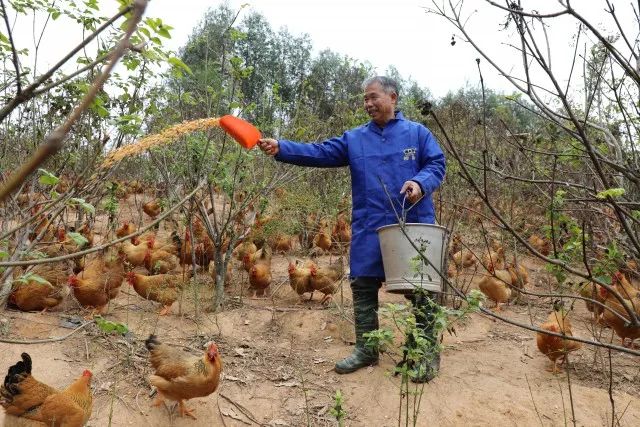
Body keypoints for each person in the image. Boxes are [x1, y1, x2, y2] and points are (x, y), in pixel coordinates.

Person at [258, 76, 446, 382]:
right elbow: (318, 152)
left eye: (373, 97)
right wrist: (281, 147)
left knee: (421, 289)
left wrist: (420, 183)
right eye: (365, 100)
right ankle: (366, 349)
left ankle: (425, 354)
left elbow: (437, 164)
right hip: (369, 224)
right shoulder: (355, 139)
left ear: (393, 97)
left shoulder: (418, 134)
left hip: (411, 223)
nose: (368, 104)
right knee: (363, 284)